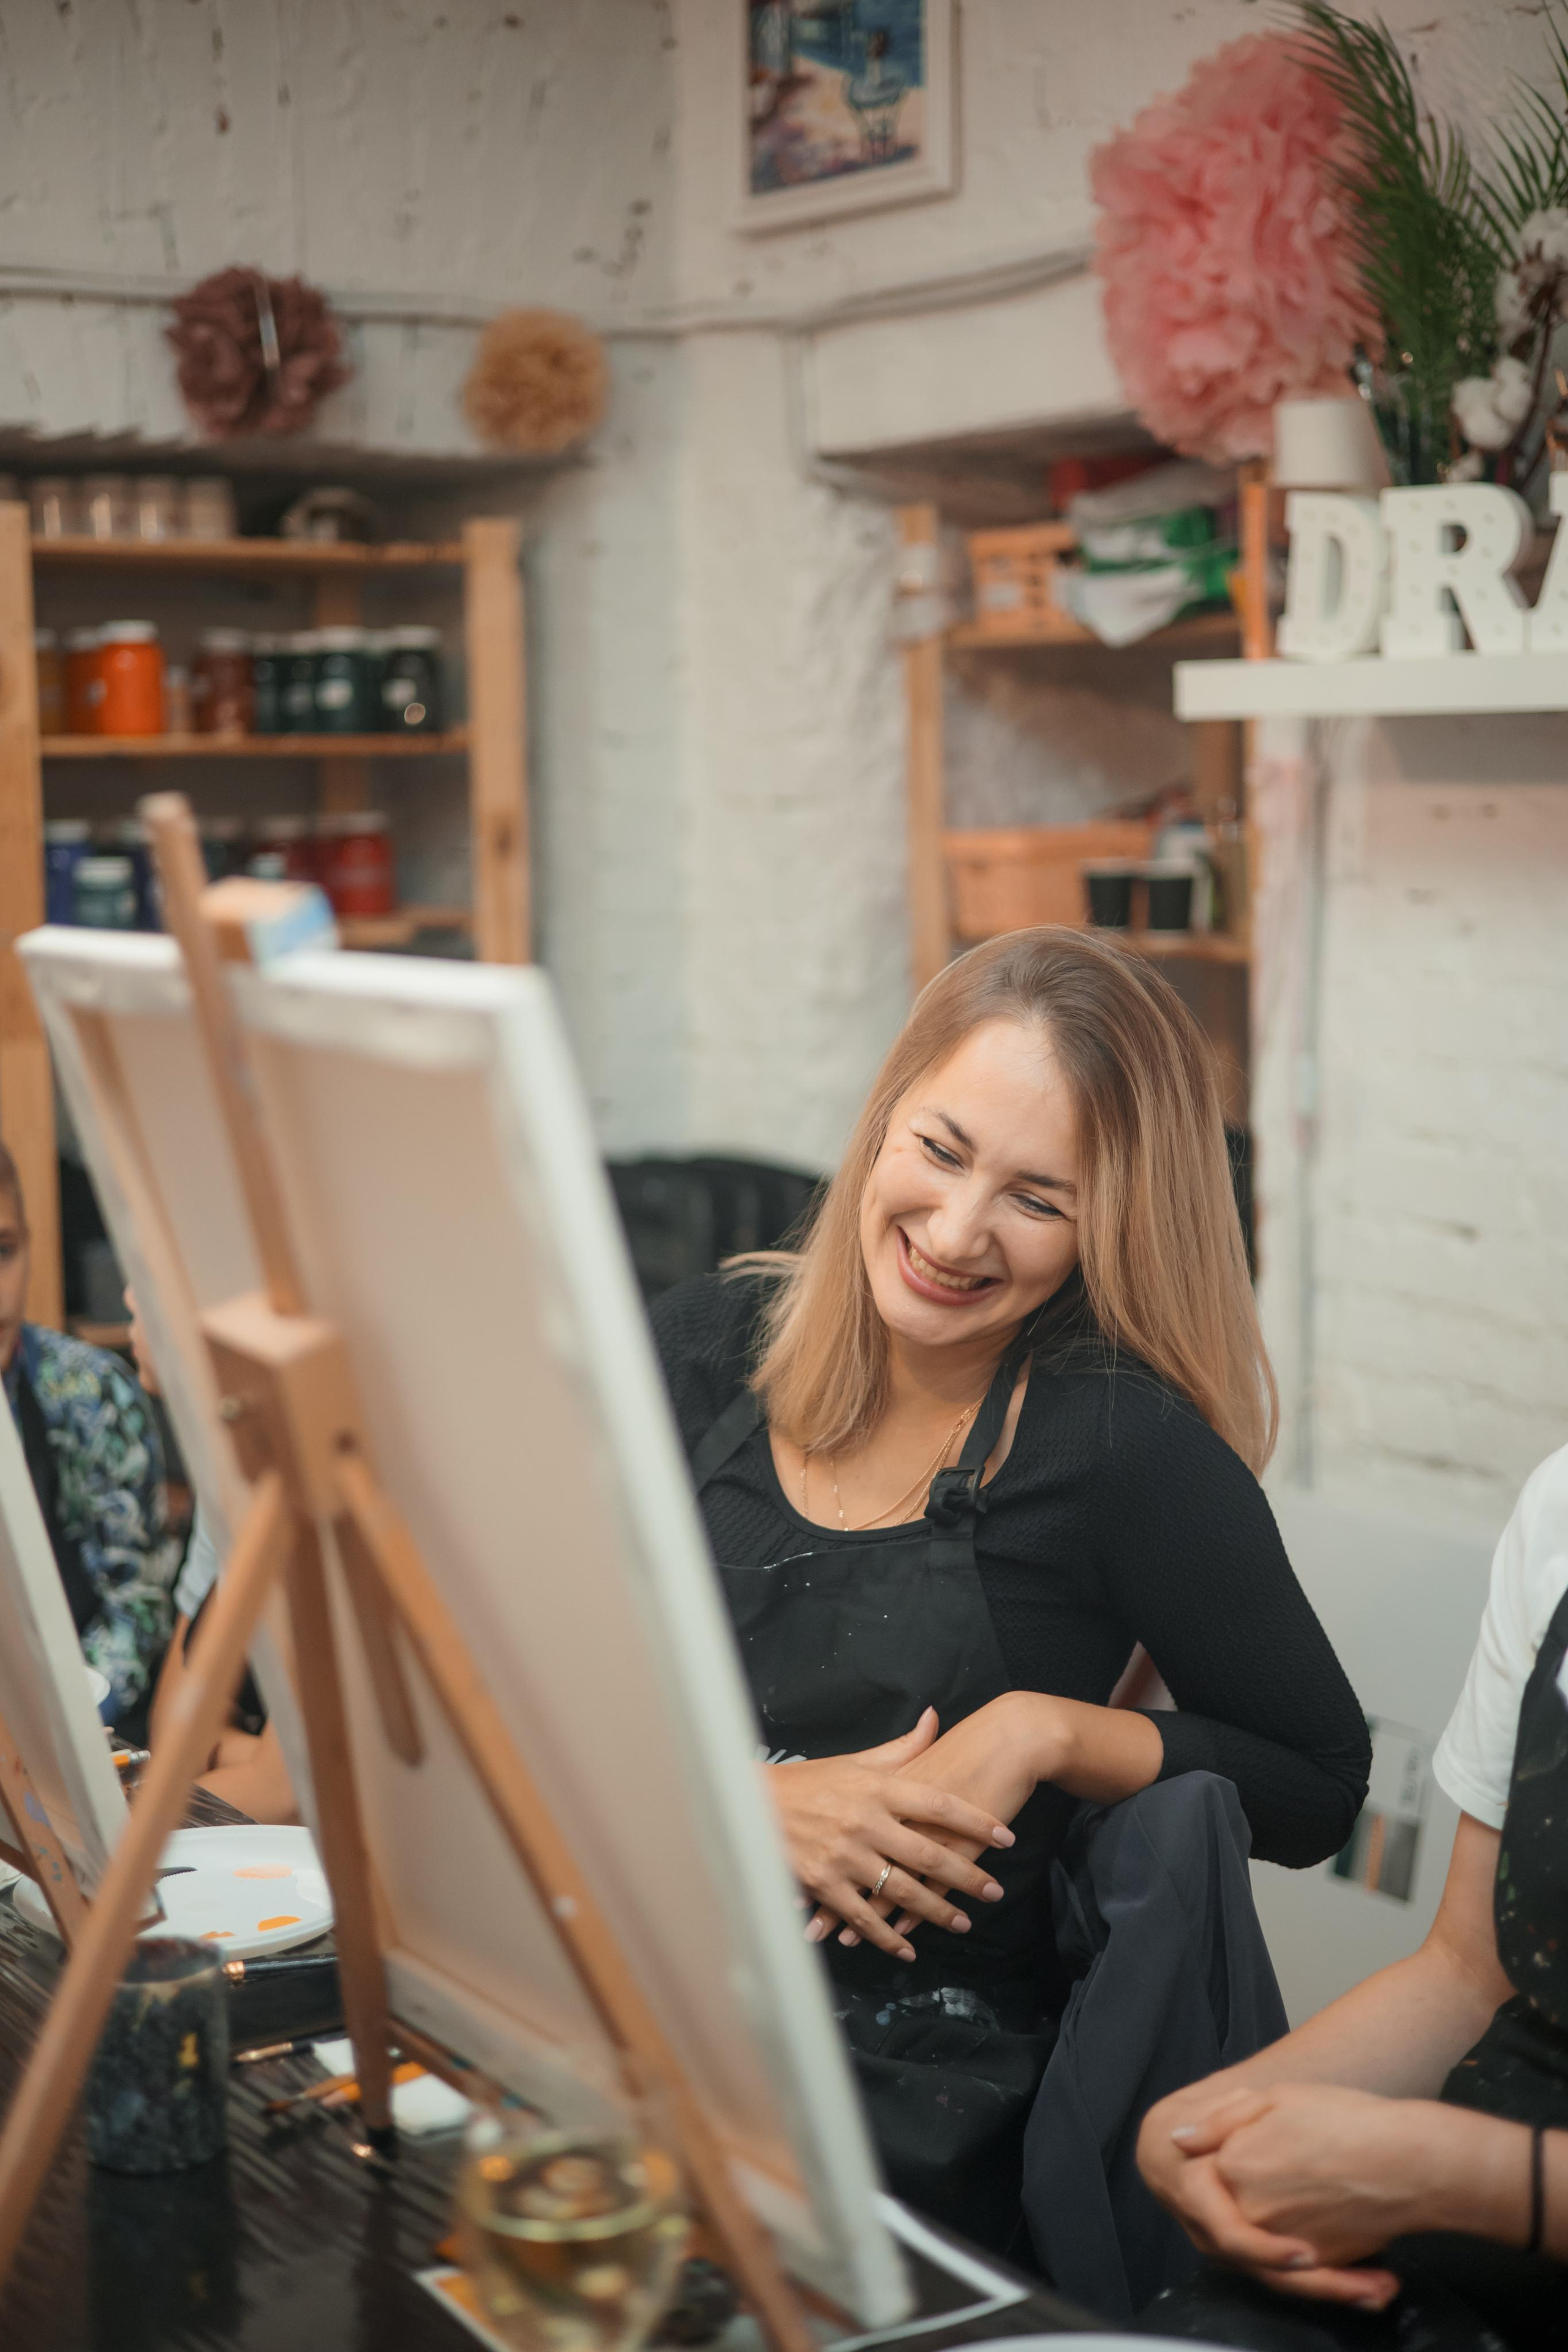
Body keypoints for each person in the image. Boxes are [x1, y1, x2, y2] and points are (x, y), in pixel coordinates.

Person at [650, 928, 1370, 2244]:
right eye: (940, 1150)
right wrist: (737, 1803)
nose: (955, 1232)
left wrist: (1046, 1732)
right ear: (884, 1119)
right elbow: (514, 1667)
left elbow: (1317, 1783)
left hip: (910, 2116)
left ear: (1110, 1228)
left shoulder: (1121, 1448)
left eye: (1038, 1200)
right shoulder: (701, 1348)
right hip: (635, 1996)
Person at [1136, 1442, 1568, 2350]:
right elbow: (1466, 1971)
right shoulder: (1559, 1507)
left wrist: (1452, 2171)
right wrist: (1194, 2118)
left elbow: (1311, 1784)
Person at [0, 1142, 169, 1730]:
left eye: (3, 1251)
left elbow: (136, 1609)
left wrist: (58, 1729)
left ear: (30, 1243)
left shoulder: (95, 1395)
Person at [127, 1289, 297, 1823]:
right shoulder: (223, 1473)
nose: (129, 1294)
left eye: (146, 1275)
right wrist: (246, 1752)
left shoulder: (302, 1481)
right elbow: (173, 1737)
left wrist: (228, 1752)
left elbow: (286, 1793)